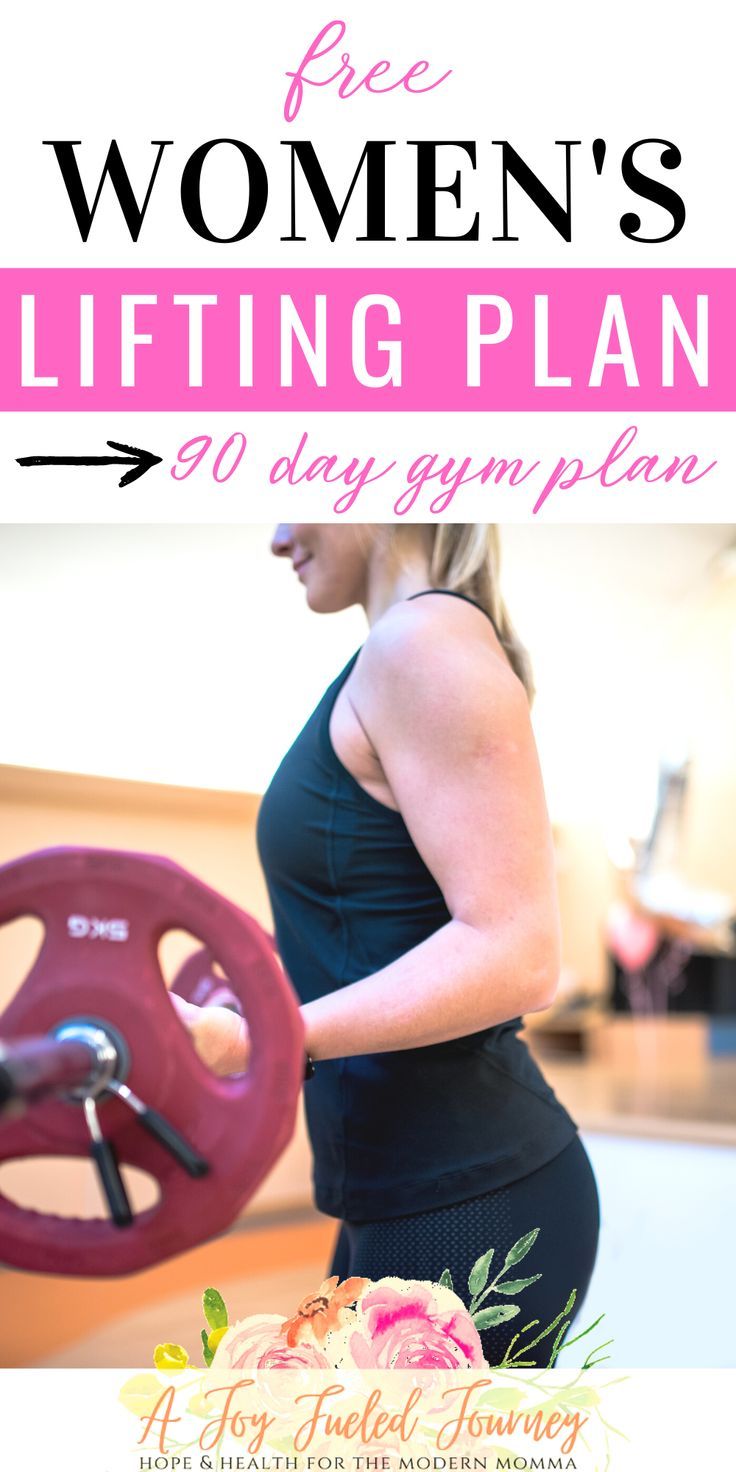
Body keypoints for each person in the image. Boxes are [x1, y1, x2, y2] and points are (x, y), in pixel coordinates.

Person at [175, 524, 600, 1365]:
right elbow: (374, 929)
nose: (277, 535)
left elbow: (518, 952)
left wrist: (273, 1036)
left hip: (470, 1194)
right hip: (408, 1188)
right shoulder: (399, 651)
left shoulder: (422, 642)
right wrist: (256, 992)